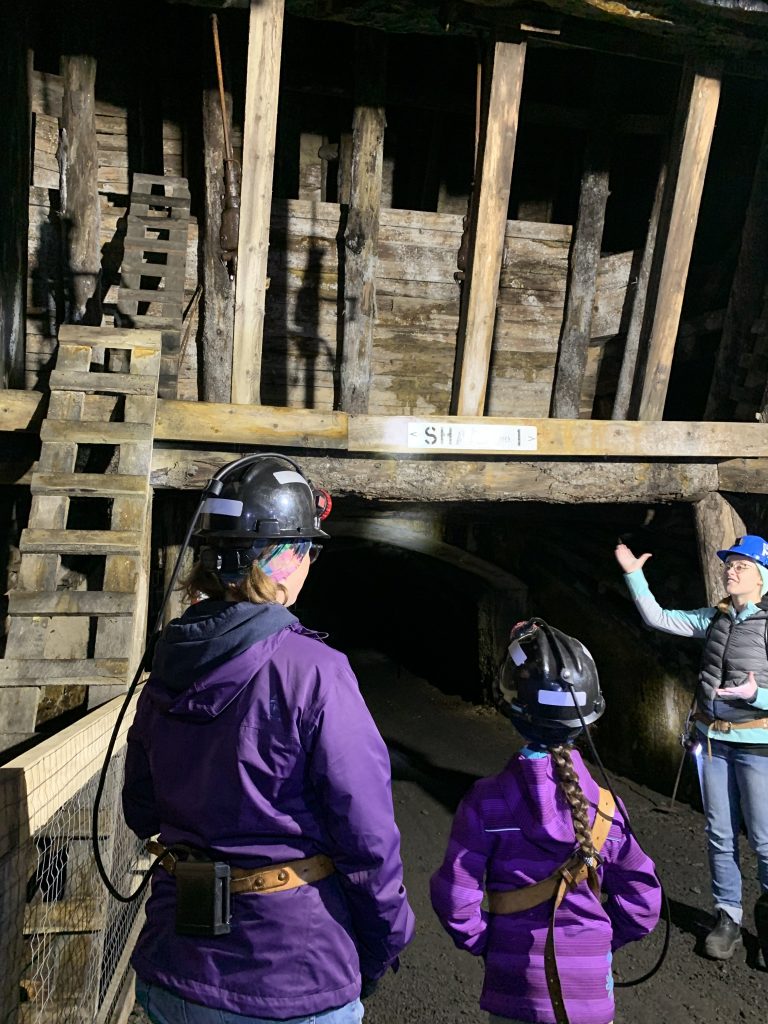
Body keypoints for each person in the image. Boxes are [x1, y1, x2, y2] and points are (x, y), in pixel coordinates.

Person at [122, 454, 415, 1024]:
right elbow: (368, 839)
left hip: (175, 968)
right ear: (281, 559)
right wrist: (382, 947)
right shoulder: (314, 671)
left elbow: (141, 809)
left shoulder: (168, 662)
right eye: (308, 550)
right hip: (288, 975)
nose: (309, 564)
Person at [430, 619, 661, 1024]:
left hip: (514, 989)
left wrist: (489, 943)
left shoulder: (487, 801)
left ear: (513, 710)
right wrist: (600, 945)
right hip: (590, 999)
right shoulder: (606, 806)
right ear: (587, 719)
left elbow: (455, 897)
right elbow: (643, 901)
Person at [615, 534, 768, 963]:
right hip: (713, 741)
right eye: (729, 564)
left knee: (764, 839)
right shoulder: (715, 618)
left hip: (758, 745)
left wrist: (757, 696)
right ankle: (727, 917)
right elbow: (658, 618)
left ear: (762, 577)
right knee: (719, 834)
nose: (730, 570)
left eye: (742, 566)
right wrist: (634, 576)